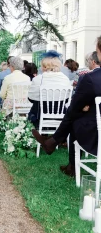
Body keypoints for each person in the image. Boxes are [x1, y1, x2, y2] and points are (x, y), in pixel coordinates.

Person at [32, 36, 101, 177]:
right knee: (76, 114)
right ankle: (57, 146)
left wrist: (81, 108)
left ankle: (55, 144)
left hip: (96, 134)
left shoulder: (90, 78)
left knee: (74, 116)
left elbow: (75, 106)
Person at [27, 55, 70, 128]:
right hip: (61, 113)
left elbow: (31, 98)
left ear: (44, 67)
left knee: (34, 108)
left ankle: (40, 131)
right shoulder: (65, 79)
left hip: (40, 115)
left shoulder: (38, 79)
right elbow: (66, 100)